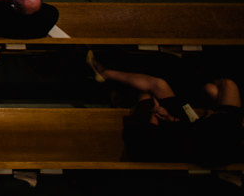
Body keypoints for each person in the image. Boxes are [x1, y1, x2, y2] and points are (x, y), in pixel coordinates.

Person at [87, 52, 244, 166]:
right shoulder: (224, 127)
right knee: (213, 88)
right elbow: (188, 127)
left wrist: (158, 115)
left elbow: (153, 139)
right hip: (191, 127)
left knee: (152, 89)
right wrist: (172, 118)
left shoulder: (188, 142)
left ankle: (106, 74)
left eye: (210, 115)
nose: (209, 112)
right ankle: (109, 77)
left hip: (163, 138)